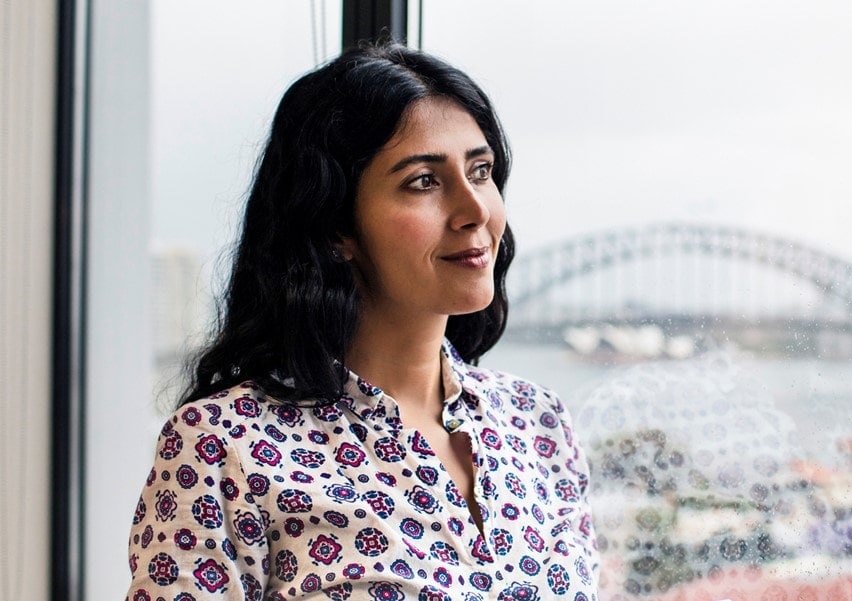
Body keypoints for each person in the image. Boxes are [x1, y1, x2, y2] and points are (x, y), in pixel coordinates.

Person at [125, 43, 597, 601]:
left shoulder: (538, 424)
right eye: (424, 180)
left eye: (482, 171)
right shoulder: (224, 445)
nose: (475, 211)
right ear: (335, 228)